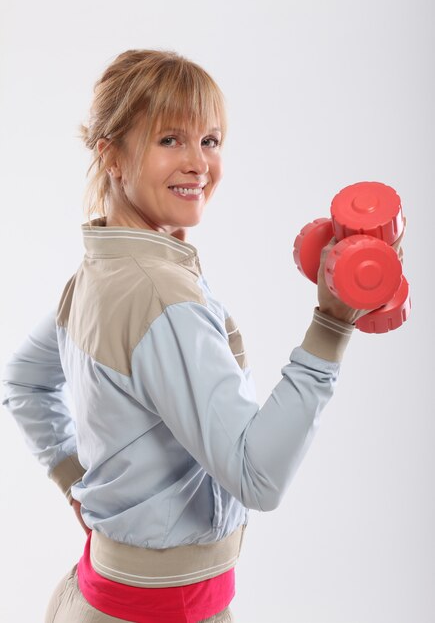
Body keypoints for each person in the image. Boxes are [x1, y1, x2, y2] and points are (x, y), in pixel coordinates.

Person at [1, 49, 405, 623]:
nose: (199, 164)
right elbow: (257, 477)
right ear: (111, 155)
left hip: (98, 595)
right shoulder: (157, 292)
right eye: (170, 140)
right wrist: (333, 324)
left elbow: (22, 380)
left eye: (210, 141)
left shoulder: (98, 272)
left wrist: (73, 481)